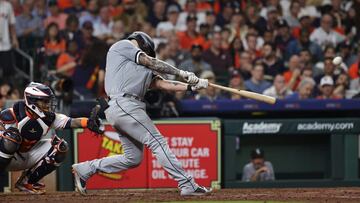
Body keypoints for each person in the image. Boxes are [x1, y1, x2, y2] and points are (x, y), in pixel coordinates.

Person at [72, 31, 211, 196]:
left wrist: (190, 86)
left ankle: (85, 169)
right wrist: (182, 73)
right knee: (157, 142)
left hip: (125, 107)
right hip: (124, 103)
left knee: (133, 158)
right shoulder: (123, 46)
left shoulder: (139, 68)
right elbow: (150, 61)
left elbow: (163, 84)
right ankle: (187, 184)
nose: (147, 55)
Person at [0, 82, 103, 194]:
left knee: (60, 147)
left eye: (48, 101)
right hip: (6, 157)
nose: (48, 104)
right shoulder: (10, 115)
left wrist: (88, 122)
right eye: (44, 101)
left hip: (26, 156)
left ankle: (27, 182)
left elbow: (71, 121)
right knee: (11, 139)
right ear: (32, 101)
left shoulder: (48, 118)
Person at [0, 0, 19, 79]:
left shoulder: (7, 5)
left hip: (5, 44)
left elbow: (12, 24)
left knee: (7, 70)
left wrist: (14, 39)